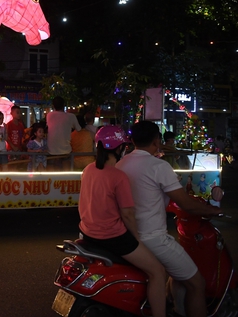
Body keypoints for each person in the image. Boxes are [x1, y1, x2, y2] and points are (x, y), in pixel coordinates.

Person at [116, 120, 222, 317]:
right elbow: (186, 204)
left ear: (132, 140)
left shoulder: (121, 163)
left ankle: (176, 309)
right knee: (197, 284)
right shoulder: (159, 166)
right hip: (153, 238)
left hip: (129, 235)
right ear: (157, 140)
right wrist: (212, 211)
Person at [79, 125, 166, 317]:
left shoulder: (88, 170)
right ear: (120, 148)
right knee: (158, 272)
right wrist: (137, 240)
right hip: (112, 236)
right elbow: (128, 214)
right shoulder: (118, 176)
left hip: (87, 232)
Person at [46, 96, 81, 170]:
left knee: (51, 177)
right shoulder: (71, 116)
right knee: (66, 176)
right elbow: (79, 129)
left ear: (53, 106)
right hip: (66, 150)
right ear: (64, 105)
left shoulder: (49, 115)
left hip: (51, 151)